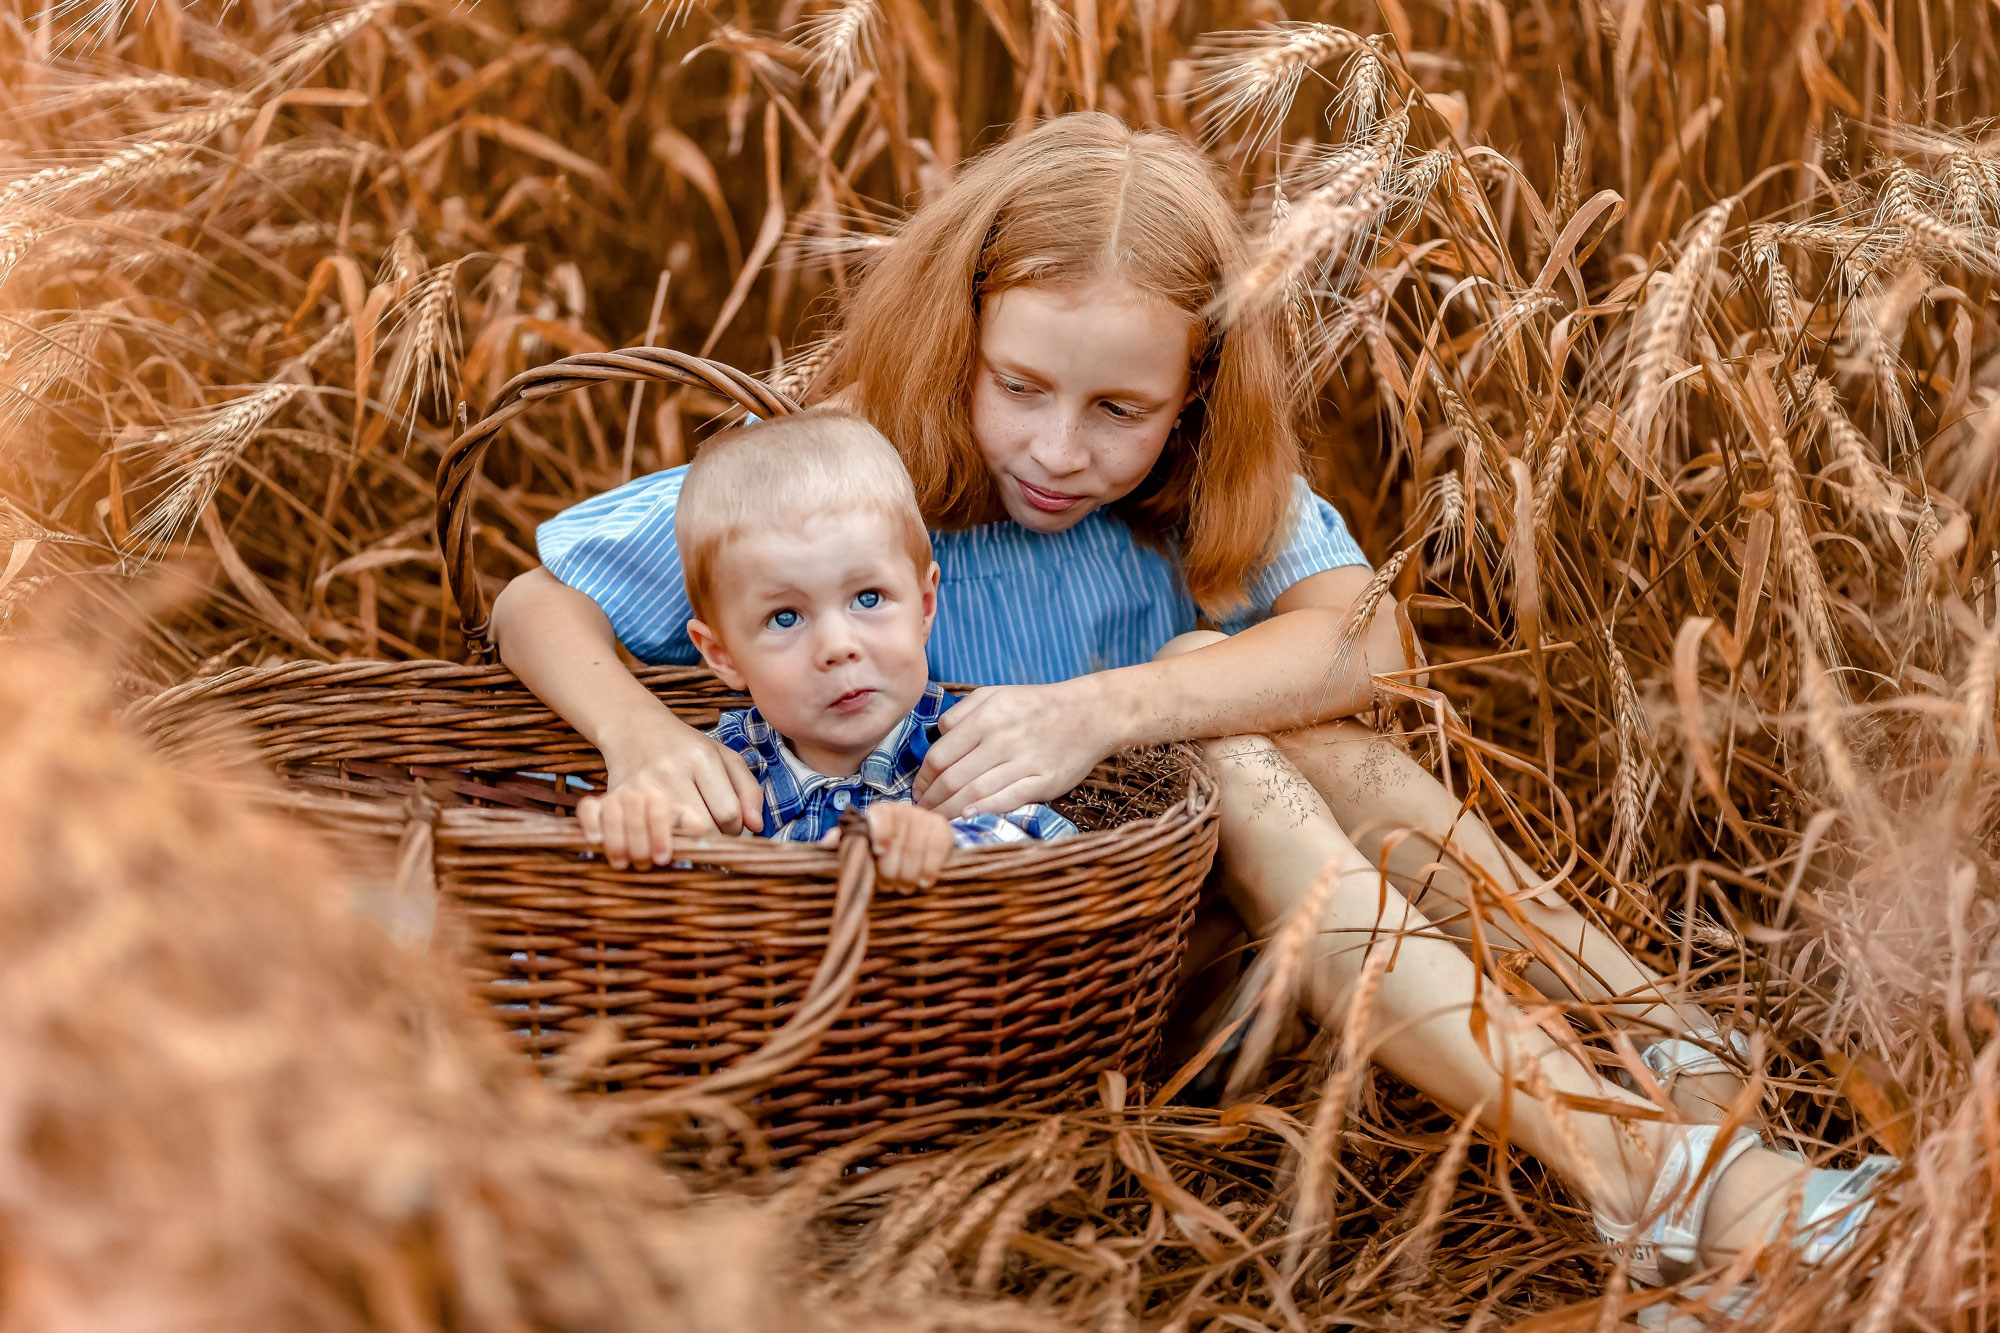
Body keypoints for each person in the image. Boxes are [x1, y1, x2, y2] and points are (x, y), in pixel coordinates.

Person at [490, 112, 1894, 1287]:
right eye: (1019, 386)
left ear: (1195, 390)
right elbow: (529, 597)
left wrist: (1102, 708)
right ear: (957, 344)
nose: (1057, 449)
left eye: (1119, 409)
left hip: (1177, 950)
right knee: (1232, 758)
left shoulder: (1192, 488)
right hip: (990, 989)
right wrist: (647, 738)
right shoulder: (855, 483)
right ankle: (1641, 1170)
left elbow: (1363, 639)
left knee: (1305, 743)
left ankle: (1680, 1052)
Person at [642, 406, 1076, 884]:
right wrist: (639, 835)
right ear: (722, 655)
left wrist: (952, 849)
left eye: (868, 598)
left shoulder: (966, 746)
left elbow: (1051, 850)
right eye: (784, 618)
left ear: (924, 605)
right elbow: (660, 884)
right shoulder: (725, 772)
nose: (838, 646)